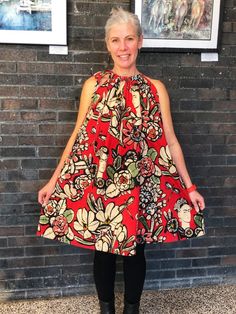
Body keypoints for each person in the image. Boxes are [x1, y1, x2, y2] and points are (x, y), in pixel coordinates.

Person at [37, 7, 205, 314]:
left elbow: (170, 139)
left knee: (135, 253)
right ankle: (106, 310)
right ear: (107, 44)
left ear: (140, 41)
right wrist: (53, 180)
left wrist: (190, 186)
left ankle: (131, 310)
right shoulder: (94, 85)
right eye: (116, 40)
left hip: (140, 184)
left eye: (129, 39)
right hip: (102, 185)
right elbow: (78, 137)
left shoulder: (156, 89)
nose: (123, 47)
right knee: (102, 253)